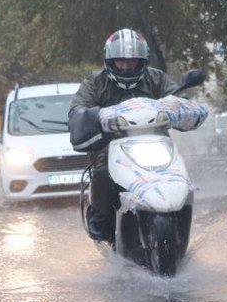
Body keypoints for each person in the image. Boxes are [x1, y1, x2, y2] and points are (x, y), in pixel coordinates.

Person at [69, 28, 180, 242]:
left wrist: (183, 105)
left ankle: (179, 207)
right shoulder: (95, 82)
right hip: (110, 144)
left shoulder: (157, 78)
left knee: (177, 166)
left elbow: (177, 98)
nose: (127, 66)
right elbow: (78, 109)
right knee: (102, 169)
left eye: (133, 62)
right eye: (121, 61)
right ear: (110, 61)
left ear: (143, 61)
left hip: (156, 141)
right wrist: (88, 116)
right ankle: (100, 215)